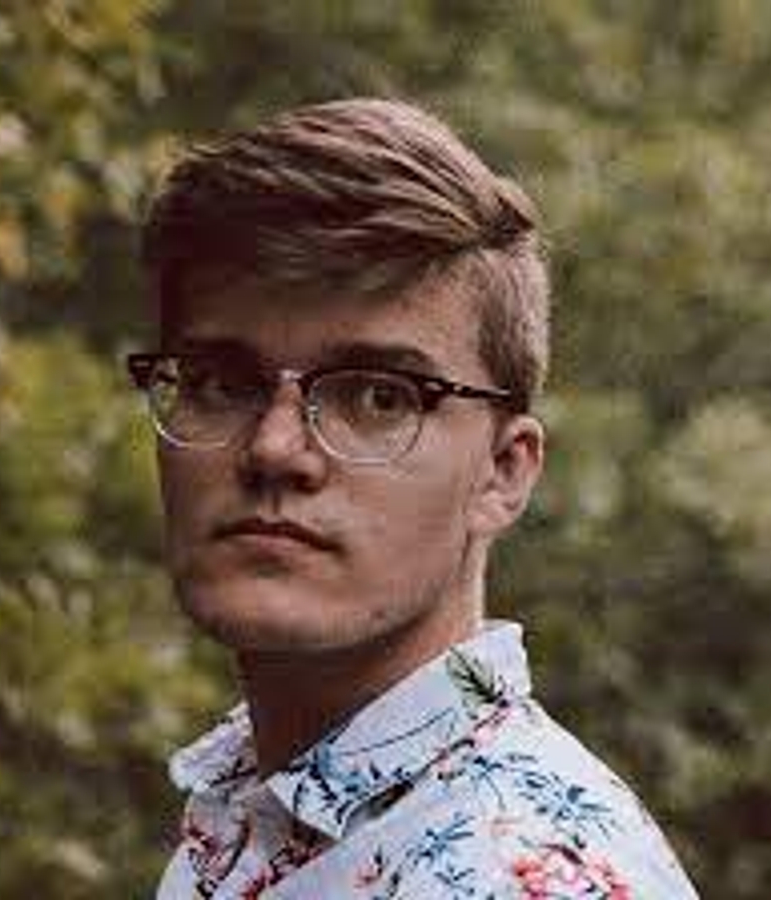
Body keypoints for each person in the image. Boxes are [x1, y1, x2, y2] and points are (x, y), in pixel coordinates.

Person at [127, 98, 700, 898]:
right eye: (222, 383)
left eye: (379, 397)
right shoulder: (259, 803)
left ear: (503, 472)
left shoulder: (519, 875)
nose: (274, 449)